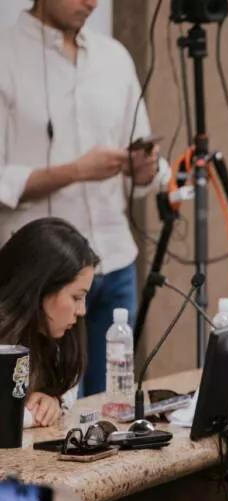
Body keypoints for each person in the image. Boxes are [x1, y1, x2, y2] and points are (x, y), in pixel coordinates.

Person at [0, 0, 165, 397]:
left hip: (115, 260)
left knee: (111, 405)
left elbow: (144, 158)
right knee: (36, 404)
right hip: (40, 273)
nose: (91, 2)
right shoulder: (6, 56)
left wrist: (144, 169)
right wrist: (75, 171)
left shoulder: (114, 58)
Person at [0, 217, 98, 428]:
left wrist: (54, 401)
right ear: (40, 288)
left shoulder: (59, 334)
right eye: (76, 297)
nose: (82, 311)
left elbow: (69, 387)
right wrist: (29, 416)